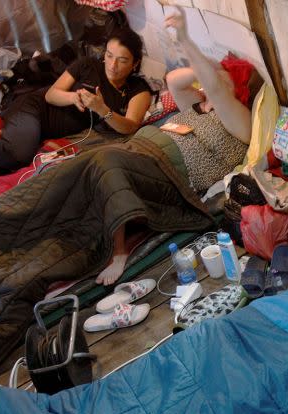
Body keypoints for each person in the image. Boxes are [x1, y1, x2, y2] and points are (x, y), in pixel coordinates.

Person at [93, 8, 260, 285]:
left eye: (223, 78)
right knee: (94, 172)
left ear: (236, 89)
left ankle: (119, 251)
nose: (214, 81)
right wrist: (212, 68)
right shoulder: (199, 104)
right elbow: (174, 80)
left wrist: (185, 39)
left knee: (110, 170)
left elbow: (215, 88)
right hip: (146, 147)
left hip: (172, 171)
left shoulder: (237, 119)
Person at [0, 27, 153, 178]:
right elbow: (51, 95)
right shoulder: (87, 66)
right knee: (18, 156)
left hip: (46, 131)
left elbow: (130, 126)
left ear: (135, 63)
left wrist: (102, 109)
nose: (112, 65)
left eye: (122, 60)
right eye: (109, 55)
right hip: (34, 110)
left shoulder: (137, 90)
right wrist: (73, 97)